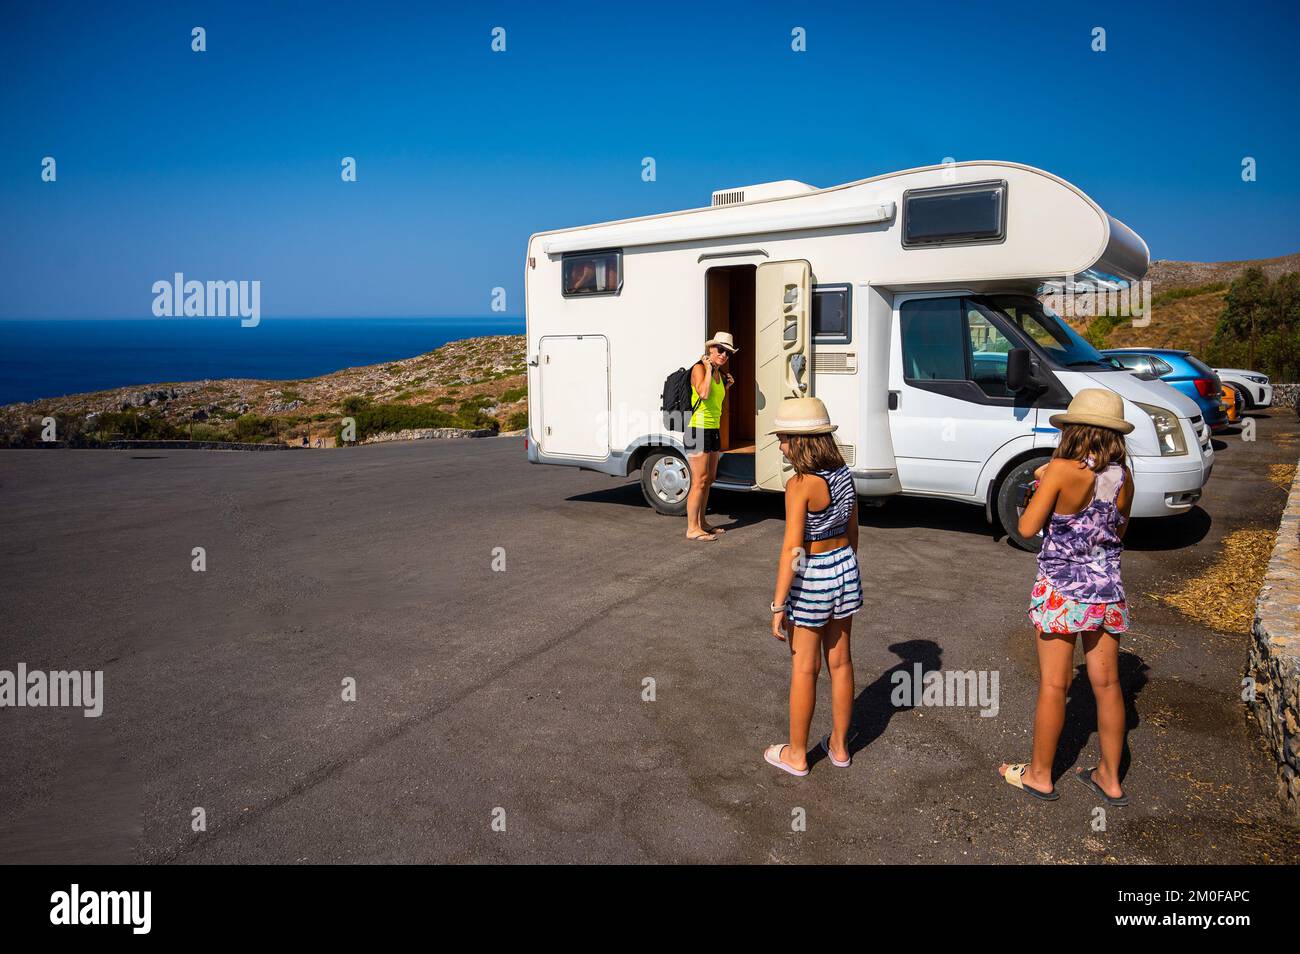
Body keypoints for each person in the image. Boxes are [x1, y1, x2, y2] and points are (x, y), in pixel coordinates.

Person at [999, 389, 1135, 805]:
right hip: (1107, 591)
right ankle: (1110, 778)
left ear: (1073, 430)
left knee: (1055, 685)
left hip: (1062, 590)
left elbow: (1025, 529)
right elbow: (1119, 532)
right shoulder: (1123, 477)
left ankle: (1041, 775)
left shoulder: (1058, 470)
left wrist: (1038, 492)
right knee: (1109, 684)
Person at [762, 397, 862, 776]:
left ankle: (797, 754)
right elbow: (853, 531)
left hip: (813, 573)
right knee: (841, 661)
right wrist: (846, 566)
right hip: (845, 567)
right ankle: (839, 746)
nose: (781, 445)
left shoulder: (800, 485)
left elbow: (793, 548)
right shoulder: (843, 475)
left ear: (802, 441)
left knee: (805, 667)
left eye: (784, 438)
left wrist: (777, 604)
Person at [684, 332, 736, 541]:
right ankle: (692, 528)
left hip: (712, 429)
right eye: (721, 350)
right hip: (697, 429)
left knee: (709, 479)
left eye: (728, 353)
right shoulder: (699, 368)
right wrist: (706, 369)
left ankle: (702, 522)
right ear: (710, 350)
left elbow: (714, 401)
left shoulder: (719, 375)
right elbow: (703, 394)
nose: (724, 355)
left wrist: (725, 385)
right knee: (699, 481)